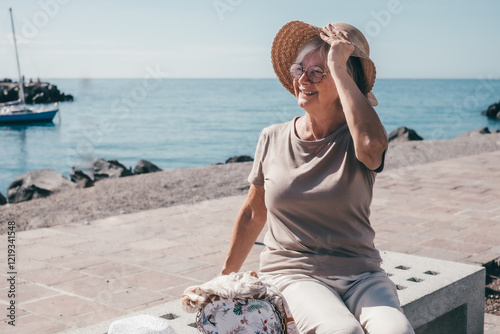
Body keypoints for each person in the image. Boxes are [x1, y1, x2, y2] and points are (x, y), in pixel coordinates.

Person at [220, 20, 415, 334]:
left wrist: (338, 65)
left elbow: (372, 147)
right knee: (342, 331)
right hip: (292, 273)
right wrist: (224, 279)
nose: (303, 80)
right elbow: (255, 212)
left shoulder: (358, 138)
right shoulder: (272, 137)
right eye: (300, 69)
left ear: (343, 79)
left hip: (362, 274)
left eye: (318, 71)